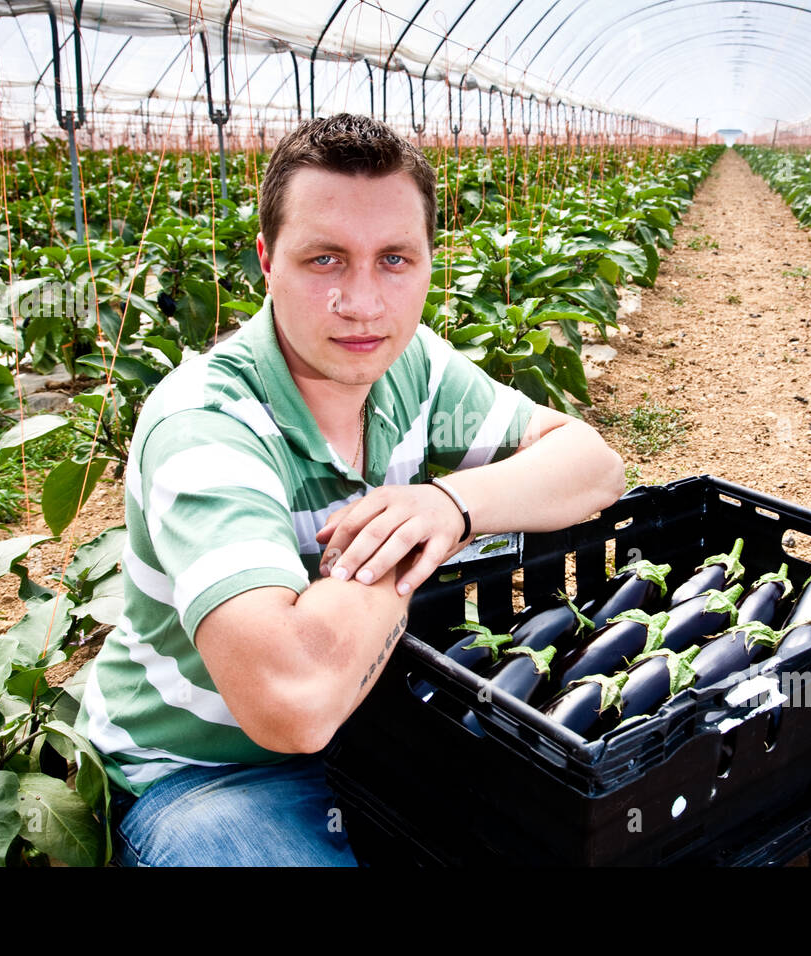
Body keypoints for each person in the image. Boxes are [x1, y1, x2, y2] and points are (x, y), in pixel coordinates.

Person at [75, 113, 625, 866]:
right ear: (267, 261)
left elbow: (593, 466)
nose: (363, 303)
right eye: (325, 260)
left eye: (394, 259)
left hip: (378, 721)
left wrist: (447, 505)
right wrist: (396, 551)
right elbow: (291, 705)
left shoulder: (414, 367)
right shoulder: (206, 425)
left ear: (431, 262)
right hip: (208, 776)